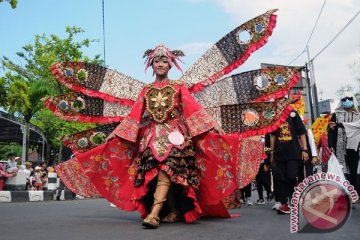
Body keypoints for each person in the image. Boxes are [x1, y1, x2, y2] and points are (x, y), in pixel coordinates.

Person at [270, 110, 308, 214]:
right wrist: (272, 152)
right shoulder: (274, 114)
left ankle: (293, 198)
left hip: (293, 153)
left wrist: (305, 149)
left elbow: (302, 132)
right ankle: (284, 204)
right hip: (279, 154)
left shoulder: (293, 114)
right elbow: (273, 135)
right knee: (281, 178)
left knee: (291, 176)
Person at [328, 91, 360, 196]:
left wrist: (338, 125)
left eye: (349, 99)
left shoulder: (358, 115)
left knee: (353, 170)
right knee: (341, 170)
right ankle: (343, 194)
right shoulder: (336, 115)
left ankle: (354, 193)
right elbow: (331, 132)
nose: (347, 101)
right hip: (339, 146)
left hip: (354, 146)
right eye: (344, 99)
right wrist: (331, 146)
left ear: (353, 100)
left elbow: (356, 127)